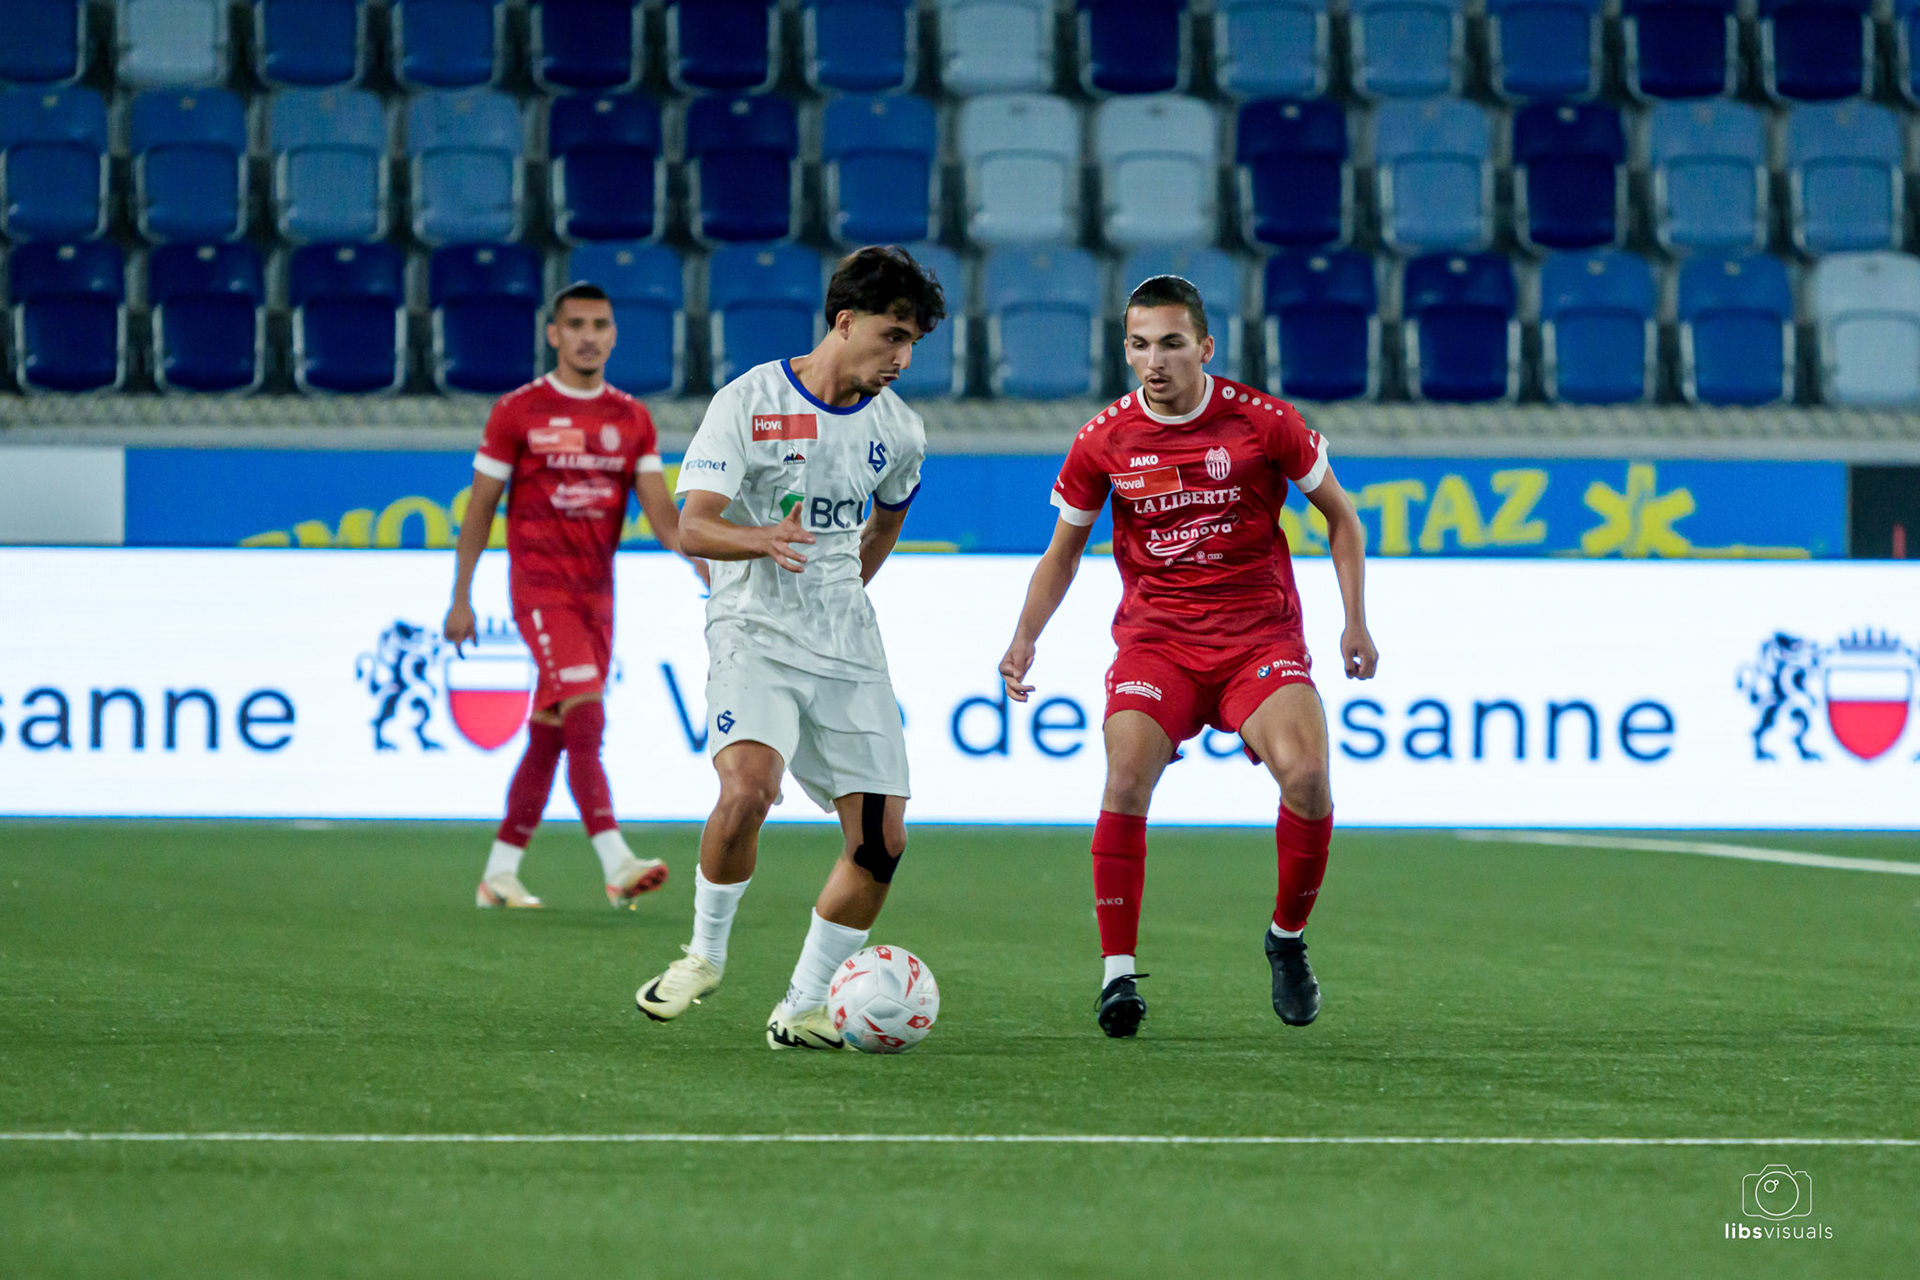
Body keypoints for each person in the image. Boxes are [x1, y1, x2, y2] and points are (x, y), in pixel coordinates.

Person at [997, 275, 1378, 1038]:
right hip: (1158, 641)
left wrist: (1354, 623)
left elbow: (1341, 516)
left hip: (1257, 640)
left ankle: (1287, 941)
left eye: (1172, 344)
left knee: (1306, 776)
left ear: (1205, 347)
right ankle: (1116, 977)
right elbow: (1063, 552)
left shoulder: (1264, 423)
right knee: (1126, 773)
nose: (1155, 361)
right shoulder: (1104, 439)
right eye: (1139, 345)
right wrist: (1024, 635)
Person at [632, 246, 943, 1051]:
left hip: (847, 646)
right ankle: (702, 956)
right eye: (892, 335)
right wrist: (762, 539)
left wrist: (844, 591)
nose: (902, 357)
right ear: (845, 321)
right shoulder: (749, 400)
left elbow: (888, 519)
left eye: (913, 343)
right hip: (753, 630)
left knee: (882, 843)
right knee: (748, 790)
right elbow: (689, 524)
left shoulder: (901, 430)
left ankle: (803, 1005)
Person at [446, 281, 698, 910]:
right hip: (540, 589)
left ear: (613, 335)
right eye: (576, 324)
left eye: (600, 324)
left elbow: (665, 518)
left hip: (598, 597)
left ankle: (499, 873)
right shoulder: (518, 411)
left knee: (551, 732)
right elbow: (480, 508)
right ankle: (616, 862)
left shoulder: (631, 418)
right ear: (553, 333)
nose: (588, 335)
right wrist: (461, 597)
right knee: (586, 715)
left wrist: (709, 566)